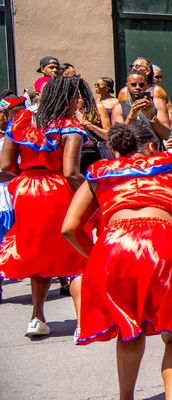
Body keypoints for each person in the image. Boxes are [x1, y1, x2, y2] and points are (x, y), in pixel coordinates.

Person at [62, 123, 172, 399]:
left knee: (130, 328)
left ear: (116, 150)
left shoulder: (99, 175)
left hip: (114, 246)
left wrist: (96, 257)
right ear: (152, 147)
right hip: (166, 243)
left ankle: (126, 397)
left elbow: (69, 228)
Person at [0, 76, 93, 338]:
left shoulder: (19, 121)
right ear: (66, 99)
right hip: (57, 189)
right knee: (77, 257)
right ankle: (82, 323)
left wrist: (30, 170)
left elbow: (6, 167)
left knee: (40, 255)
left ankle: (37, 318)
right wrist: (96, 193)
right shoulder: (69, 127)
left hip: (26, 190)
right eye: (77, 96)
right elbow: (71, 173)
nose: (80, 101)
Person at [0, 92, 25, 302]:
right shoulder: (12, 135)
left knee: (11, 239)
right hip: (6, 195)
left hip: (10, 192)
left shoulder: (16, 135)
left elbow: (11, 168)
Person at [111, 71, 172, 141]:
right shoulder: (119, 108)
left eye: (141, 85)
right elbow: (118, 139)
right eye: (133, 84)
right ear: (127, 86)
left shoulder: (158, 103)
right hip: (132, 150)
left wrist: (151, 116)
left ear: (146, 86)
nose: (138, 87)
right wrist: (131, 116)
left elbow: (166, 135)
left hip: (153, 150)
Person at [117, 58, 172, 128]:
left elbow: (170, 113)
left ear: (148, 71)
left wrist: (167, 131)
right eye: (132, 66)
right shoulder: (124, 91)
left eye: (137, 66)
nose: (133, 68)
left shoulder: (157, 91)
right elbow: (120, 113)